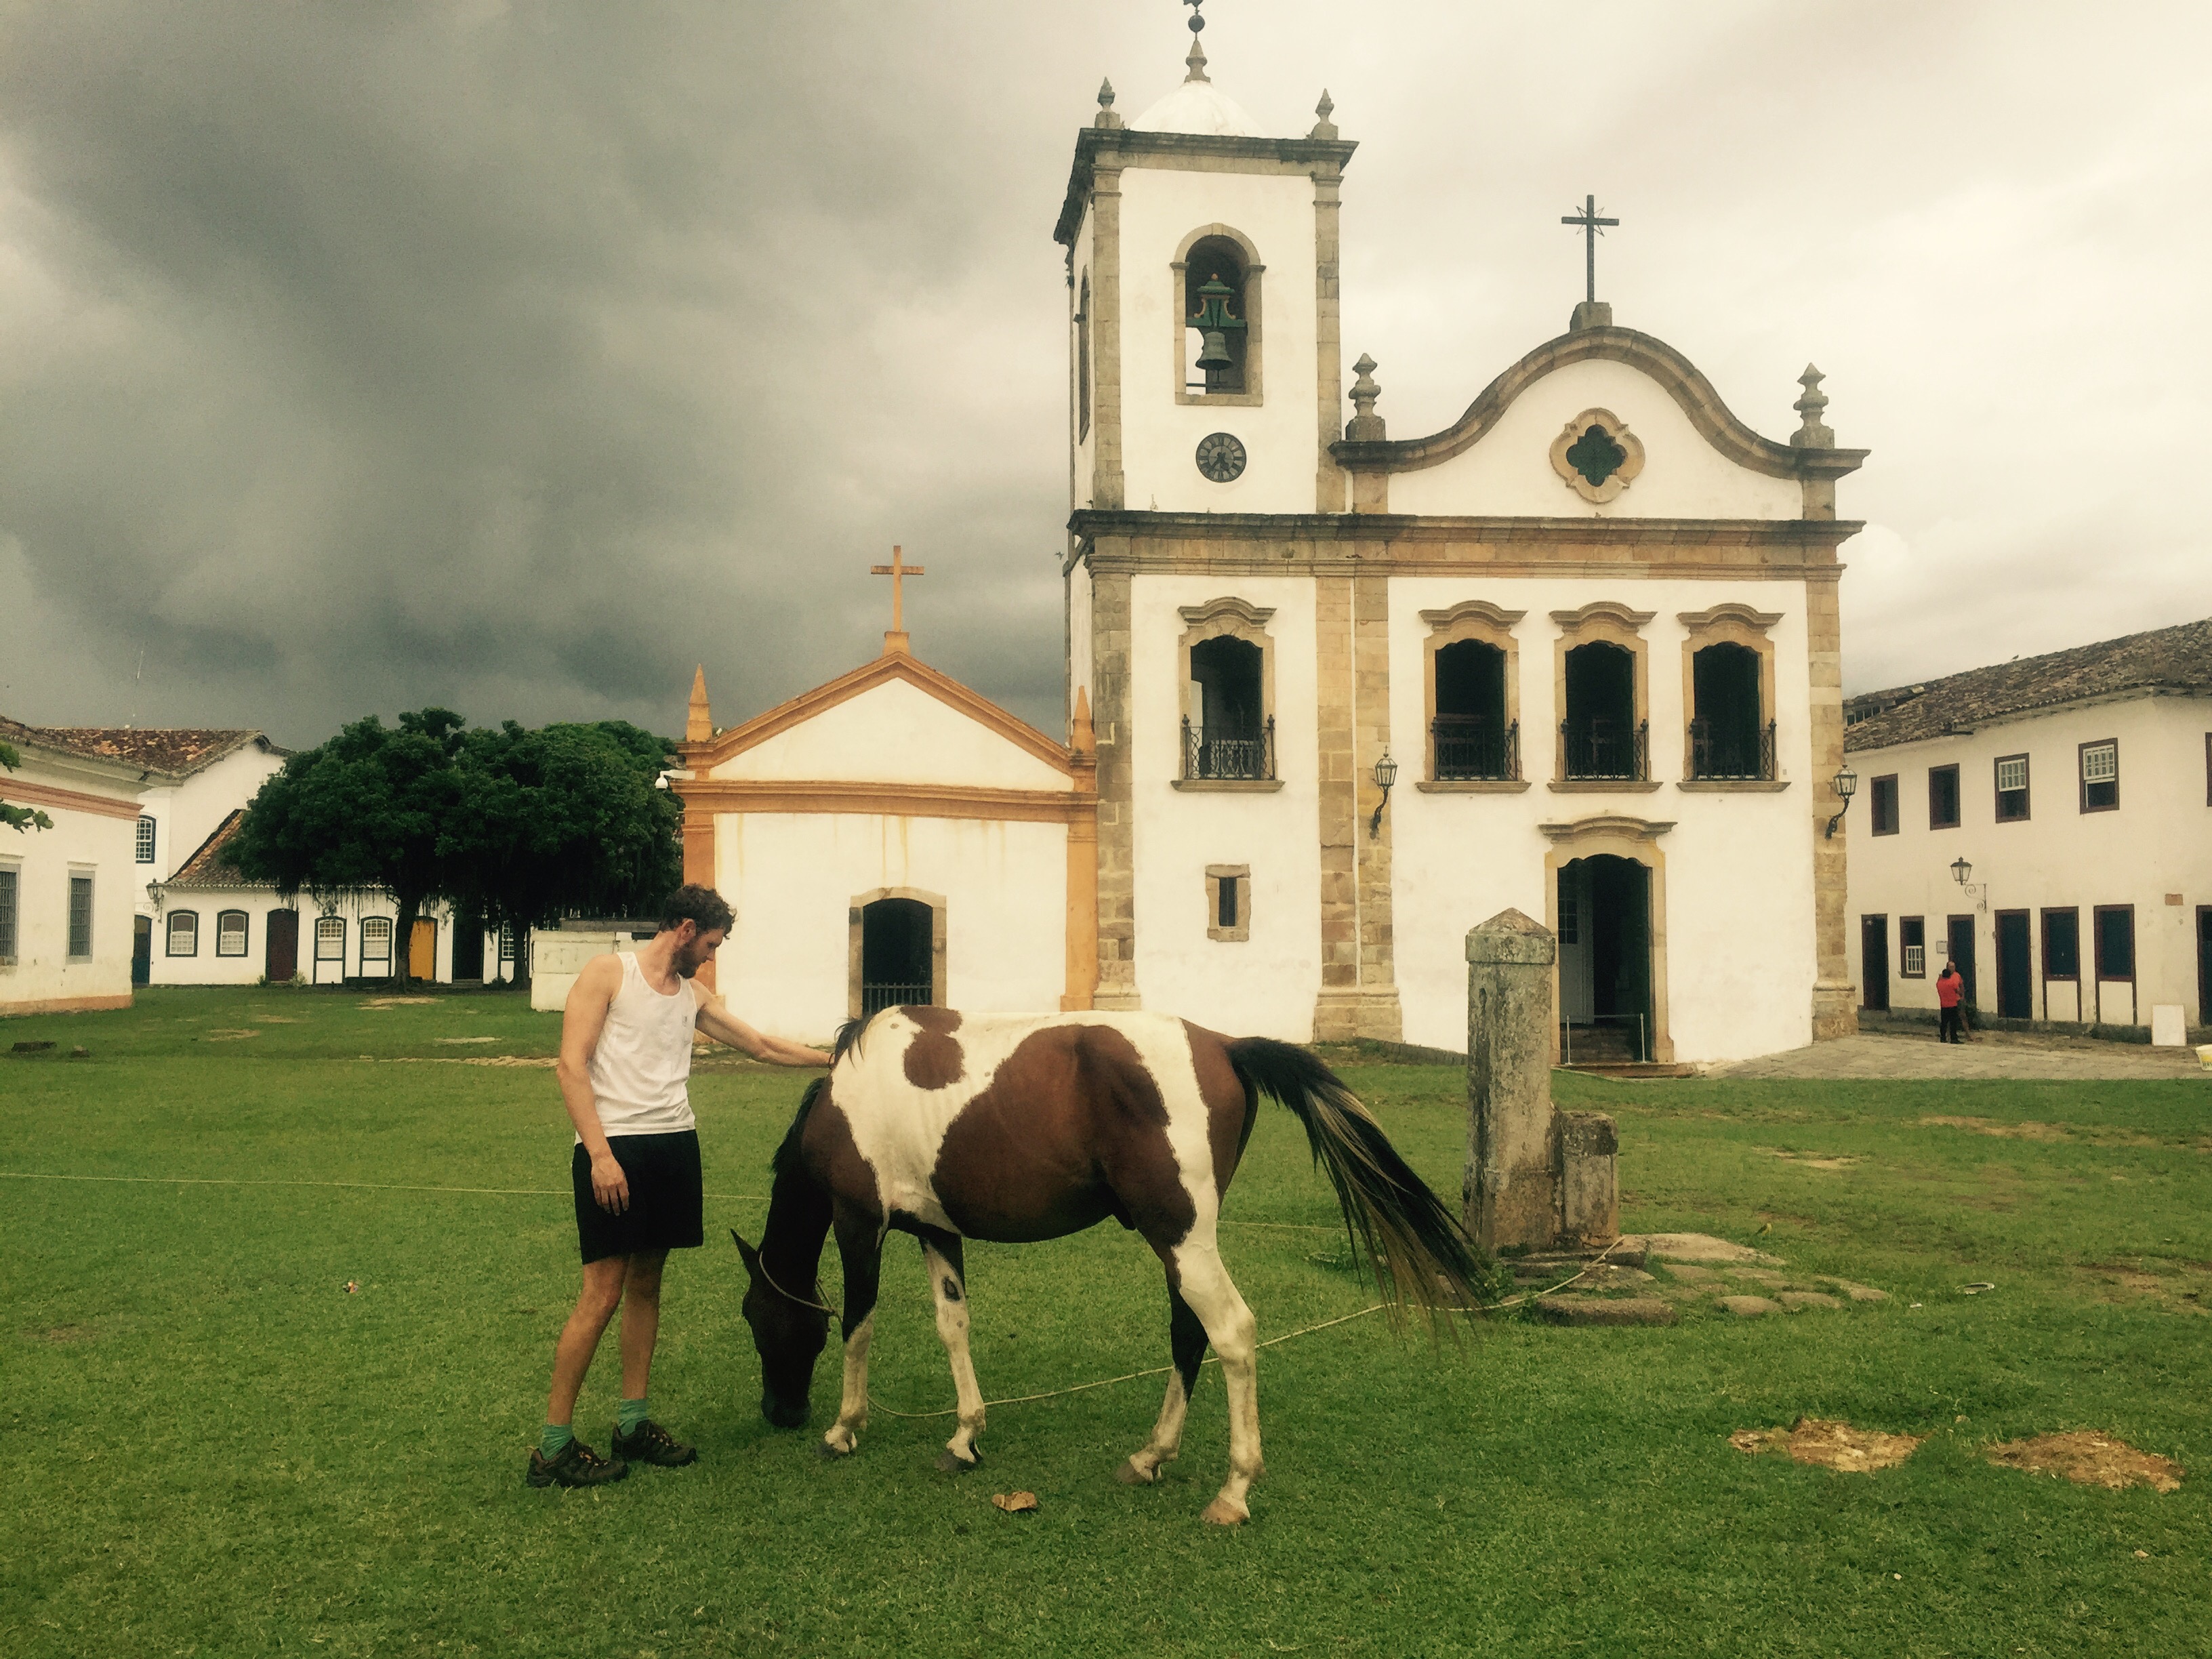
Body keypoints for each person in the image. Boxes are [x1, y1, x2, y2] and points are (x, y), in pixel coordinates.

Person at [527, 884, 831, 1489]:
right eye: (712, 944)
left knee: (646, 1286)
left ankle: (633, 1424)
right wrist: (600, 1155)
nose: (712, 957)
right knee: (602, 1294)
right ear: (687, 929)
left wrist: (835, 1060)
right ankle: (552, 1447)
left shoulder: (692, 995)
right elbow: (571, 1065)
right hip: (615, 1151)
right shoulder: (608, 975)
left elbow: (761, 1045)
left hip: (674, 1147)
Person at [1936, 960, 1967, 1044]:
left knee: (1944, 1022)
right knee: (1953, 1022)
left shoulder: (1939, 983)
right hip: (1952, 1004)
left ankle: (1943, 1038)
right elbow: (1958, 991)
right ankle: (1954, 1038)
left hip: (1943, 1005)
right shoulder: (1952, 983)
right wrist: (1961, 994)